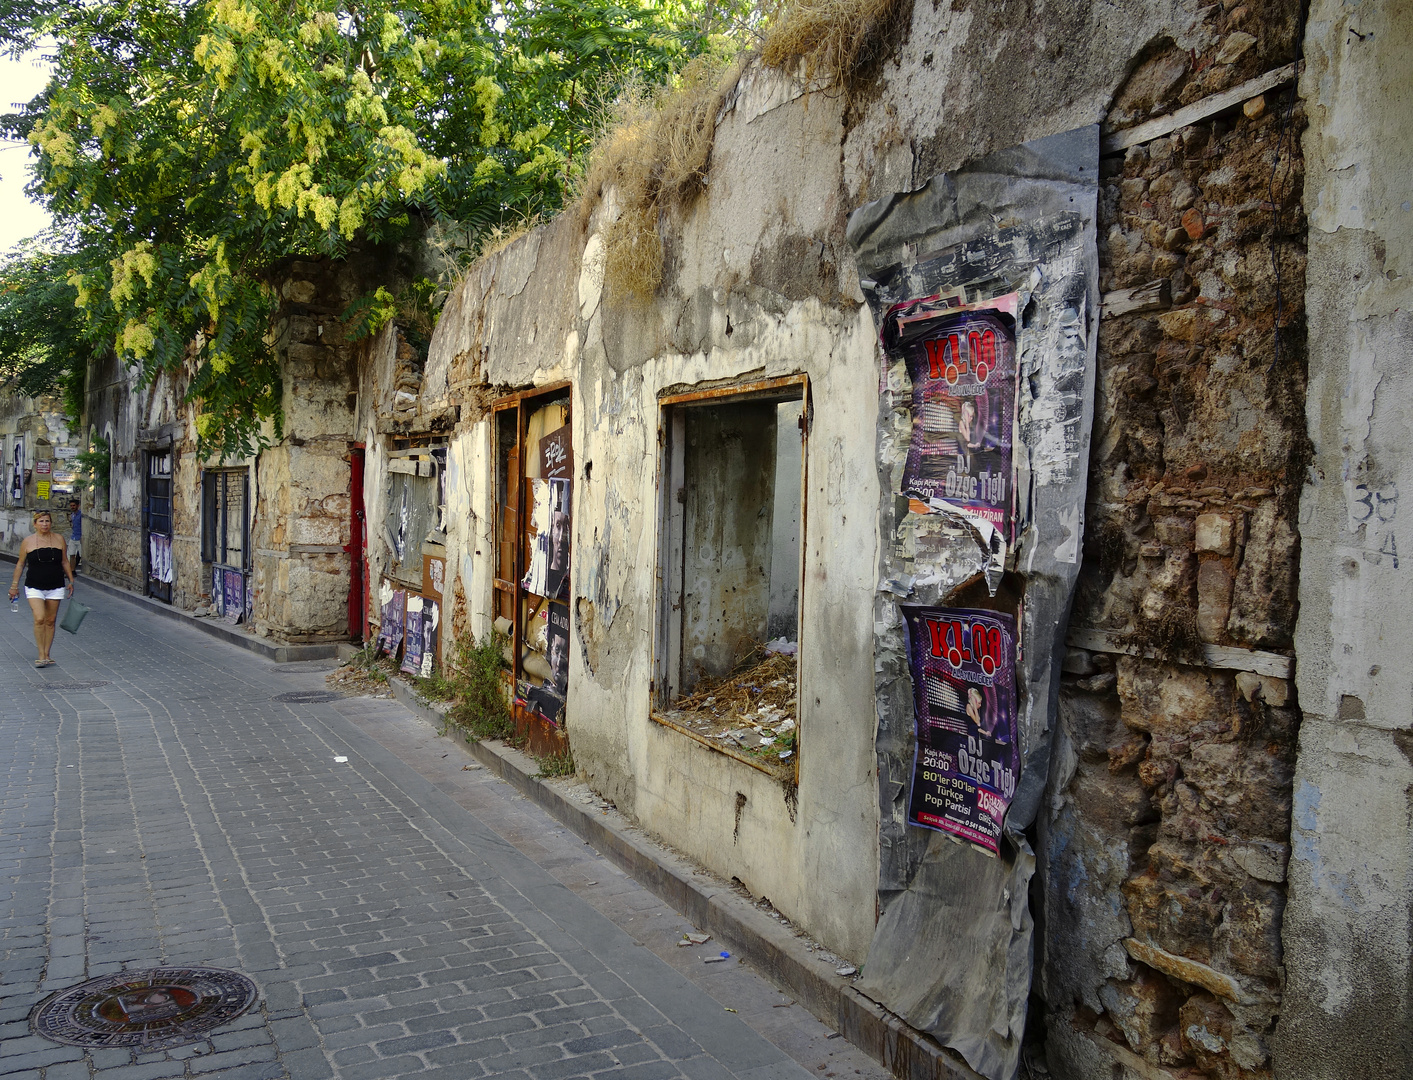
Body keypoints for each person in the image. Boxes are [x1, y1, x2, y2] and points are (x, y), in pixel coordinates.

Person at [8, 510, 75, 667]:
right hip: (34, 585)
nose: (45, 524)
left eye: (47, 521)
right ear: (35, 524)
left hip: (56, 585)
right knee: (39, 618)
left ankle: (47, 654)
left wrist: (71, 580)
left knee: (50, 621)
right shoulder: (28, 541)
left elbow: (65, 561)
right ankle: (40, 655)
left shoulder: (59, 539)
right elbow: (20, 564)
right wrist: (14, 586)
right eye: (41, 521)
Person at [67, 497, 82, 576]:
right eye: (71, 505)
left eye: (73, 505)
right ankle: (72, 570)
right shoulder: (72, 515)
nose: (72, 507)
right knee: (71, 554)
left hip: (80, 537)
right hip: (73, 536)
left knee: (81, 554)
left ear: (78, 506)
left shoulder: (81, 515)